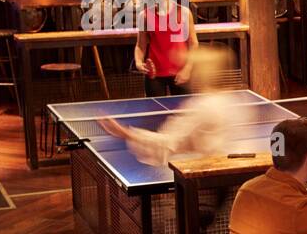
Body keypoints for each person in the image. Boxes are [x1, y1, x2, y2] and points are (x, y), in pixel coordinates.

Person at [98, 45, 246, 167]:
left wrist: (127, 134)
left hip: (212, 175)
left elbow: (169, 143)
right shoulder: (237, 101)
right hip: (240, 172)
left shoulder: (203, 106)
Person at [135, 0, 198, 96]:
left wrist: (187, 69)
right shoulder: (145, 15)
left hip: (181, 73)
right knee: (156, 114)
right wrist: (138, 62)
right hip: (154, 75)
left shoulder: (184, 12)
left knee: (184, 114)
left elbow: (193, 44)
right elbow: (140, 45)